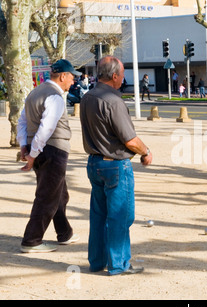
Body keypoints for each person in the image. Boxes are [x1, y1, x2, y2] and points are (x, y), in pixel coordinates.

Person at [80, 56, 152, 276]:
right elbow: (130, 140)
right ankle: (118, 264)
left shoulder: (87, 97)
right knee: (120, 216)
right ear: (114, 76)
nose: (123, 78)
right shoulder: (113, 101)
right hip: (115, 165)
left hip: (94, 163)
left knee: (99, 215)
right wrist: (146, 151)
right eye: (122, 74)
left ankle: (97, 261)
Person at [17, 59, 81, 253]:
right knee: (47, 196)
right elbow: (47, 128)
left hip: (39, 149)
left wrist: (24, 147)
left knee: (59, 193)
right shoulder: (55, 97)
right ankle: (32, 240)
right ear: (62, 76)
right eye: (71, 77)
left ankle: (65, 233)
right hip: (53, 150)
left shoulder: (34, 93)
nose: (73, 81)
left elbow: (22, 121)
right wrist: (32, 154)